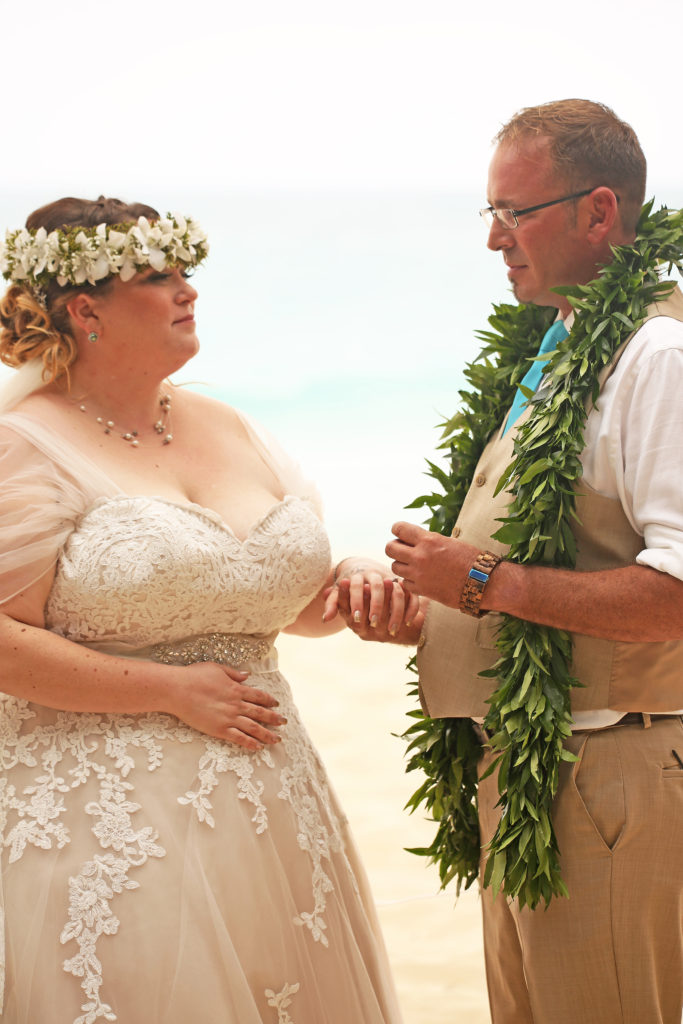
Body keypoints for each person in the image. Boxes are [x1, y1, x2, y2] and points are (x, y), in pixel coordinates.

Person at [0, 196, 419, 1024]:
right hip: (110, 827)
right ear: (86, 310)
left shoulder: (228, 423)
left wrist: (353, 579)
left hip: (272, 812)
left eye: (187, 272)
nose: (188, 291)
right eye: (158, 277)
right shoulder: (26, 445)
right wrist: (168, 691)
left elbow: (279, 599)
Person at [337, 100, 683, 1023]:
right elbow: (554, 553)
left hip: (608, 765)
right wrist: (432, 612)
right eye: (488, 213)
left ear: (598, 212)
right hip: (529, 766)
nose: (494, 239)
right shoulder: (562, 346)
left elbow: (676, 595)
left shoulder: (659, 354)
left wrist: (484, 583)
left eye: (515, 212)